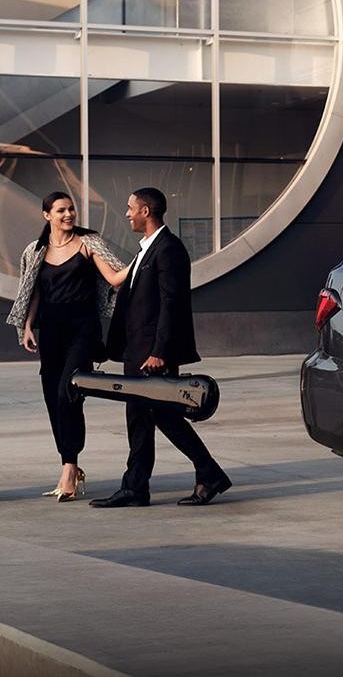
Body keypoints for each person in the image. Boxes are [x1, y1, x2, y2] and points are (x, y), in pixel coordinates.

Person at [90, 188, 232, 508]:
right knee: (140, 417)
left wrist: (160, 351)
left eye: (130, 208)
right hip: (136, 348)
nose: (126, 213)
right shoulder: (145, 249)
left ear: (145, 211)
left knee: (164, 416)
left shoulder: (169, 249)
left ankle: (207, 474)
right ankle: (136, 487)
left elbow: (172, 305)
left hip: (152, 352)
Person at [5, 192, 129, 501]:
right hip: (50, 331)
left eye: (71, 208)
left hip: (83, 331)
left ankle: (70, 468)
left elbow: (114, 278)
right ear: (46, 214)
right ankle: (68, 461)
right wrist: (28, 325)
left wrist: (143, 257)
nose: (68, 214)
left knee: (67, 392)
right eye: (61, 210)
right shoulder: (36, 250)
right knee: (52, 396)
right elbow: (33, 290)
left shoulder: (88, 244)